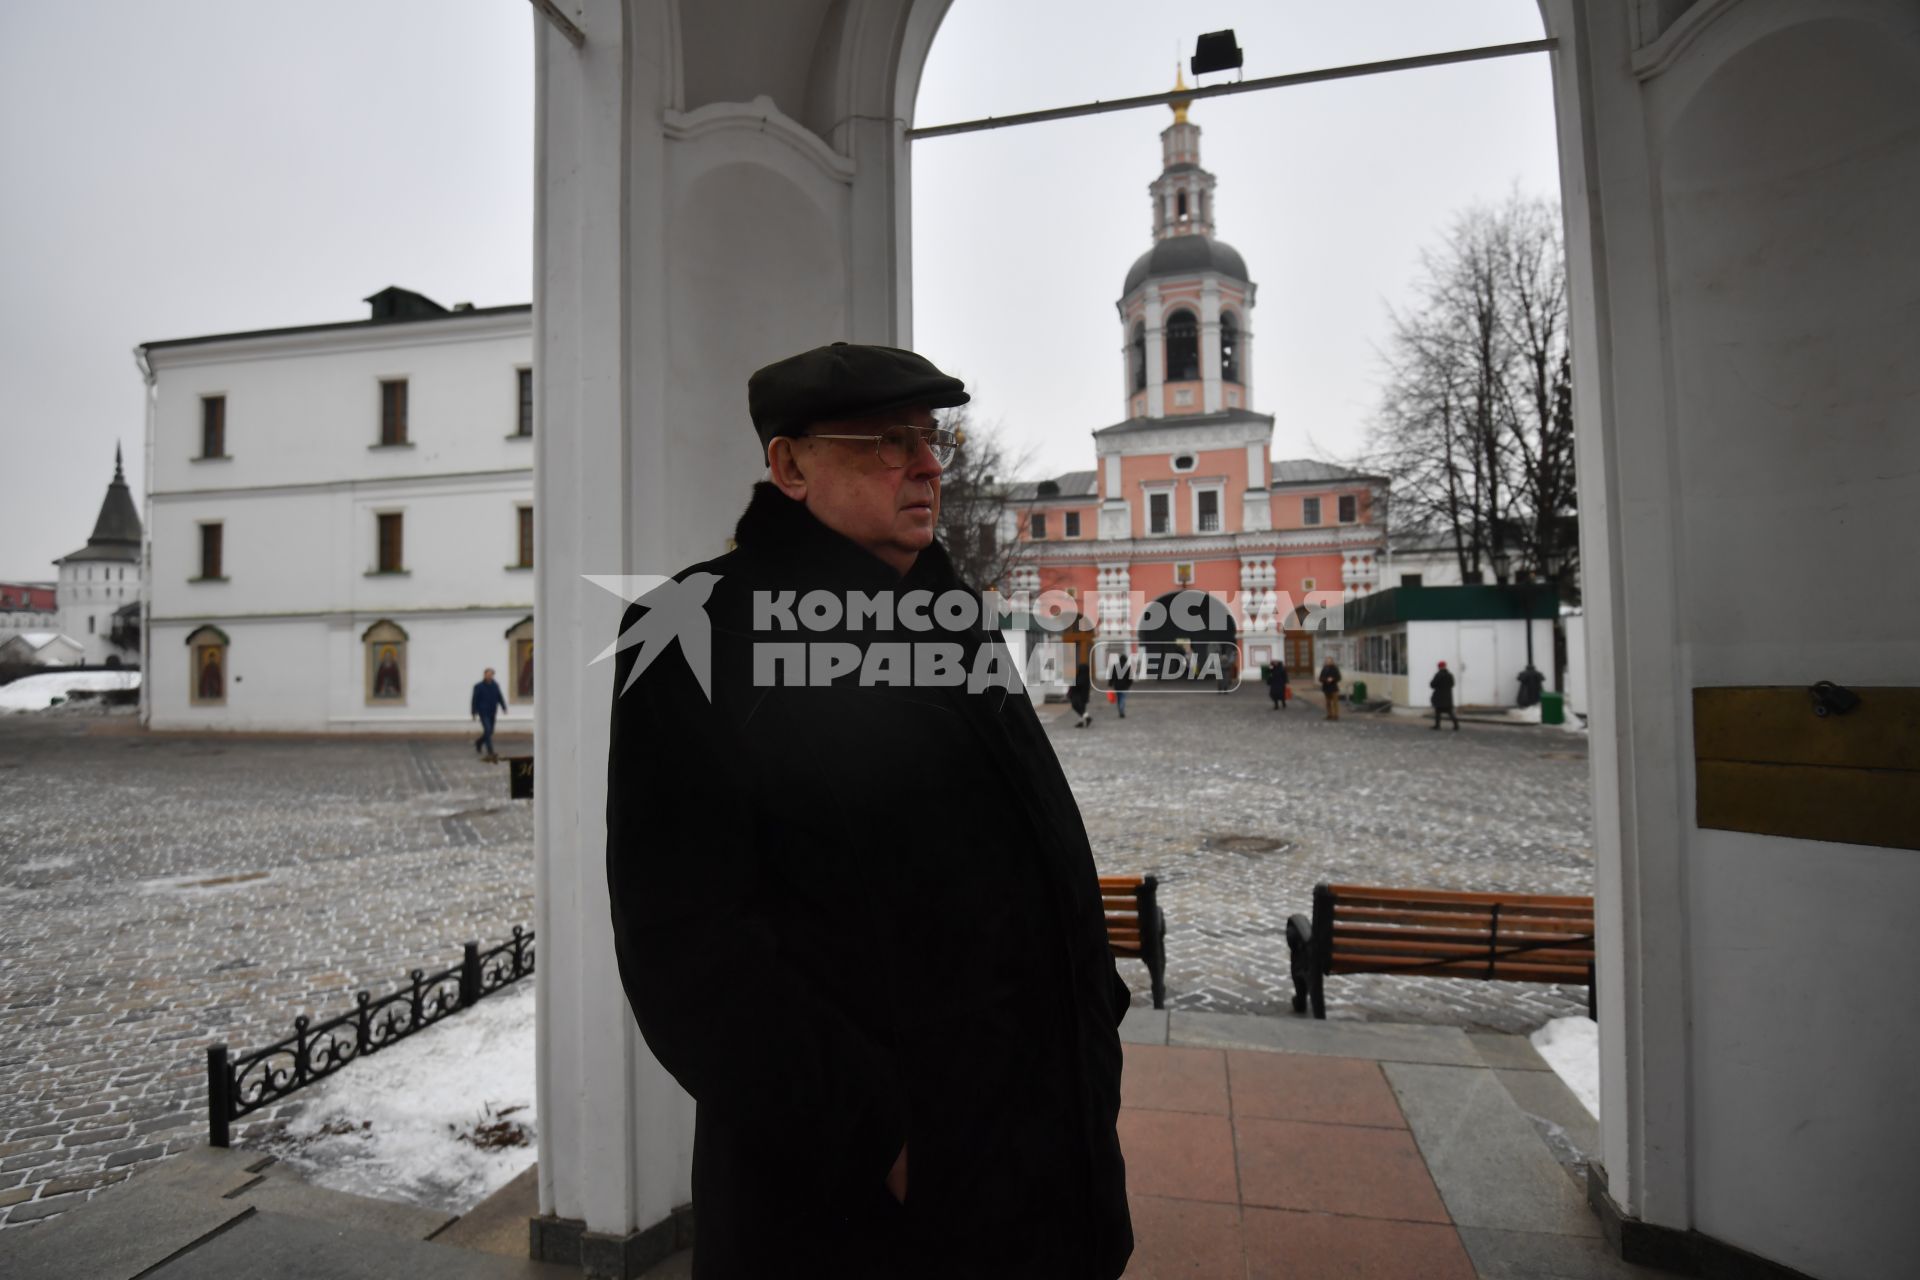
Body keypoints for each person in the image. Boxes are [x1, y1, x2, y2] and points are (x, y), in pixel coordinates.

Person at [605, 342, 1133, 1279]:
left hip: (1051, 1154)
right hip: (858, 1213)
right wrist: (878, 1141)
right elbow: (687, 946)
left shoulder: (950, 614)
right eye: (887, 443)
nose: (929, 465)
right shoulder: (695, 629)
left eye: (931, 438)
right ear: (790, 465)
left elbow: (1033, 838)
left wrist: (1094, 1025)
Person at [471, 667, 508, 759]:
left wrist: (504, 707)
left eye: (491, 674)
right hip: (483, 712)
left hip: (492, 711)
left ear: (493, 675)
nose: (489, 676)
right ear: (484, 675)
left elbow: (499, 697)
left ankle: (479, 742)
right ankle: (490, 751)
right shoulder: (478, 686)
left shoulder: (495, 685)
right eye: (487, 674)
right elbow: (474, 699)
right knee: (487, 730)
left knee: (490, 731)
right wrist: (474, 712)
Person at [1430, 659, 1460, 731]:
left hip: (1439, 696)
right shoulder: (1450, 675)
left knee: (1438, 712)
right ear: (1445, 666)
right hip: (1448, 697)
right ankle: (1456, 725)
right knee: (1450, 712)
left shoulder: (1438, 675)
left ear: (1439, 667)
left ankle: (1437, 725)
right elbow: (1452, 684)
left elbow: (1432, 684)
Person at [1108, 651, 1133, 719]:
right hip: (1125, 686)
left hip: (1117, 685)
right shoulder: (1128, 667)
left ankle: (1120, 710)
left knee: (1119, 698)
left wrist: (1110, 683)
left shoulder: (1115, 666)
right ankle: (1122, 711)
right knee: (1123, 698)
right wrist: (1129, 684)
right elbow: (1130, 678)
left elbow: (1112, 676)